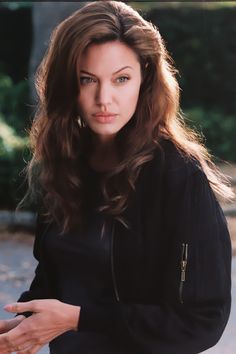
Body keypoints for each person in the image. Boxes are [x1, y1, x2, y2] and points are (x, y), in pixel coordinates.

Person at [0, 1, 234, 353]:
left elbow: (201, 322)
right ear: (68, 84)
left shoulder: (178, 175)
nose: (103, 99)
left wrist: (78, 319)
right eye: (87, 80)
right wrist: (27, 321)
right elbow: (59, 275)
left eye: (121, 79)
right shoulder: (66, 163)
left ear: (146, 80)